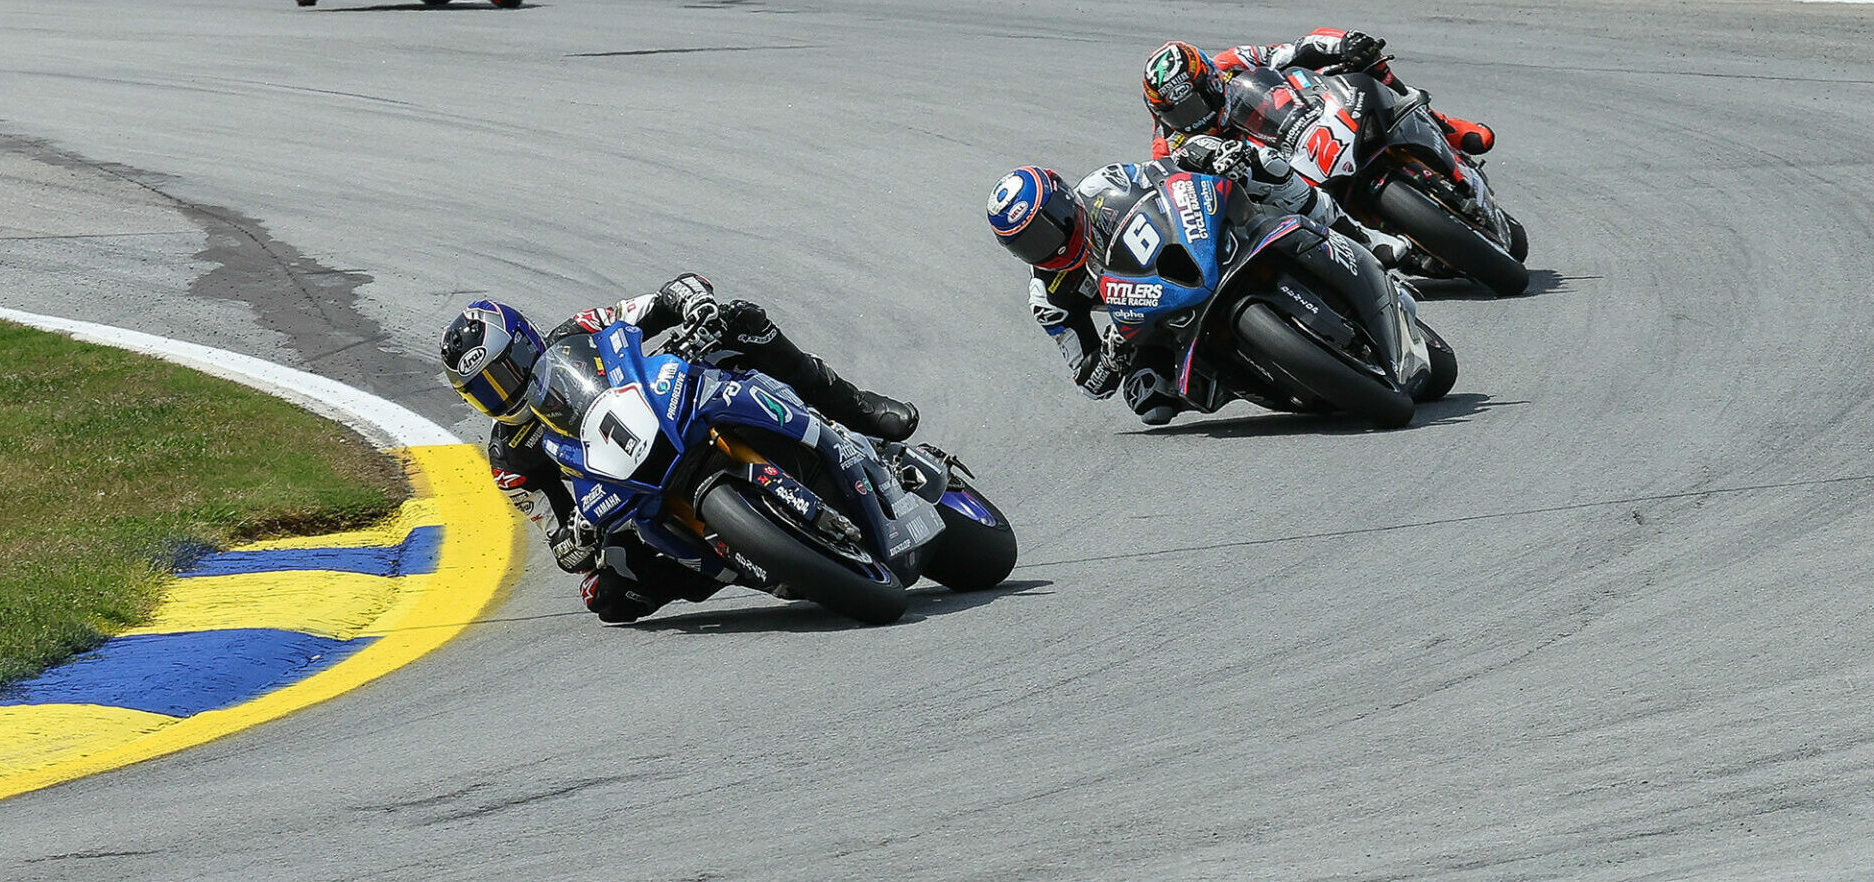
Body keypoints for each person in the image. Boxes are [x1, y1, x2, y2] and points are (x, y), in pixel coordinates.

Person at [438, 274, 919, 622]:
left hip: (666, 407)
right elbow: (559, 533)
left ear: (527, 342)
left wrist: (692, 304)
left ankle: (855, 408)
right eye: (487, 390)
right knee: (608, 597)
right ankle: (752, 562)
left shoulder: (575, 332)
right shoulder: (509, 459)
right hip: (624, 490)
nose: (507, 390)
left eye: (508, 369)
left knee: (740, 323)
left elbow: (657, 303)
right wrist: (574, 542)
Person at [986, 139, 1405, 426]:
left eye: (1047, 227)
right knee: (1147, 400)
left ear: (1064, 202)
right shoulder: (1047, 295)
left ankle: (1359, 237)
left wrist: (1209, 156)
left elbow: (1167, 170)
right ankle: (1261, 383)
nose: (1047, 245)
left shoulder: (1103, 185)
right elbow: (1087, 379)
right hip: (1153, 318)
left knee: (1262, 166)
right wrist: (1112, 358)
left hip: (1189, 242)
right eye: (1028, 244)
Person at [1141, 31, 1495, 160]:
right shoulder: (1167, 144)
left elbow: (1297, 48)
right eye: (1179, 113)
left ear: (1211, 80)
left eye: (1195, 103)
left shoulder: (1230, 61)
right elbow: (1172, 186)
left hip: (1300, 117)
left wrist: (1344, 43)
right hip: (1267, 171)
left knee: (1359, 58)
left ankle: (1442, 125)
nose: (1193, 118)